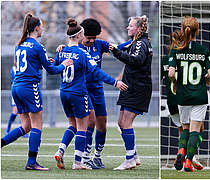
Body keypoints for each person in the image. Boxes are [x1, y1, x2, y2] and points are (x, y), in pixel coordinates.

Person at [54, 18, 132, 170]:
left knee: (102, 125)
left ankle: (97, 156)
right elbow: (94, 70)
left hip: (96, 89)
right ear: (81, 35)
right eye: (88, 38)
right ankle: (83, 156)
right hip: (82, 90)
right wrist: (115, 82)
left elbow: (116, 48)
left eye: (94, 38)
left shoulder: (99, 45)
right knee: (88, 122)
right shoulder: (77, 50)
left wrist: (132, 43)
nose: (91, 41)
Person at [1, 13, 73, 170]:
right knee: (37, 125)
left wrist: (47, 62)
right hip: (29, 87)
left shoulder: (20, 44)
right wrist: (64, 64)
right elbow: (52, 70)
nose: (43, 29)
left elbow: (33, 63)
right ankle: (31, 162)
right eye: (42, 26)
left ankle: (1, 143)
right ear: (36, 28)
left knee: (26, 126)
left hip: (16, 87)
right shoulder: (38, 46)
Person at [168, 16, 210, 172]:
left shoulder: (176, 51)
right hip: (200, 95)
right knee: (196, 129)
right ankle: (188, 161)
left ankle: (181, 150)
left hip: (183, 95)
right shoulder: (203, 50)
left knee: (185, 128)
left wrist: (175, 80)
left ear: (182, 30)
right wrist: (203, 77)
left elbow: (170, 73)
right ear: (198, 31)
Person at [109, 15, 153, 170]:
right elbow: (121, 48)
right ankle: (133, 155)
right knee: (120, 123)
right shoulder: (135, 42)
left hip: (138, 88)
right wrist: (113, 49)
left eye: (131, 26)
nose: (128, 28)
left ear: (139, 28)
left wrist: (116, 52)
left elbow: (136, 60)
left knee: (126, 123)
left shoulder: (141, 43)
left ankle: (129, 159)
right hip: (131, 86)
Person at [161, 34, 204, 170]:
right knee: (196, 129)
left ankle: (185, 155)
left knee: (183, 129)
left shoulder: (165, 60)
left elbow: (167, 76)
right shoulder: (189, 56)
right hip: (187, 96)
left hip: (172, 101)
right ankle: (188, 157)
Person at [5, 63, 29, 138]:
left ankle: (23, 129)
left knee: (24, 110)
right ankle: (8, 129)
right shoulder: (14, 68)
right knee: (15, 111)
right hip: (17, 89)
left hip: (23, 90)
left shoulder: (24, 66)